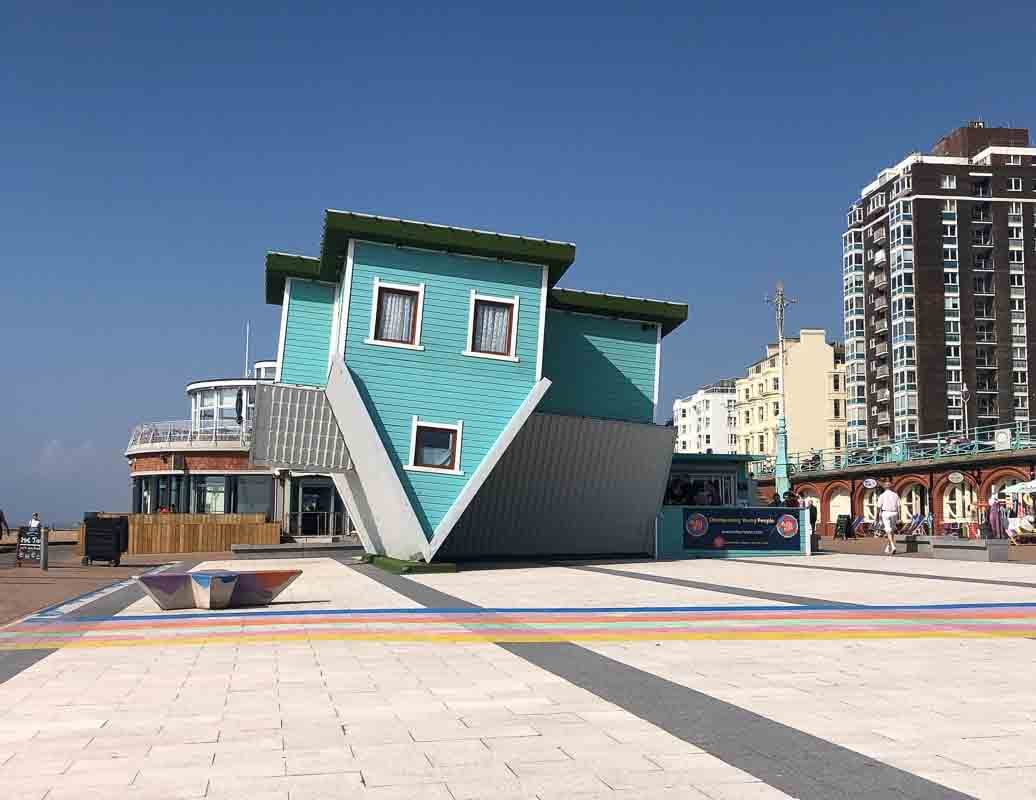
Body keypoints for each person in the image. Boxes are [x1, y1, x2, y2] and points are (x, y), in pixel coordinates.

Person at [877, 482, 900, 555]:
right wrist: (899, 516)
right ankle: (888, 547)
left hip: (886, 513)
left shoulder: (882, 495)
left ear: (884, 487)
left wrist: (877, 515)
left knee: (888, 530)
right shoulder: (895, 495)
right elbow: (899, 506)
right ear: (891, 487)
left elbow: (878, 507)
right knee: (891, 530)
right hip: (894, 513)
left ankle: (893, 546)